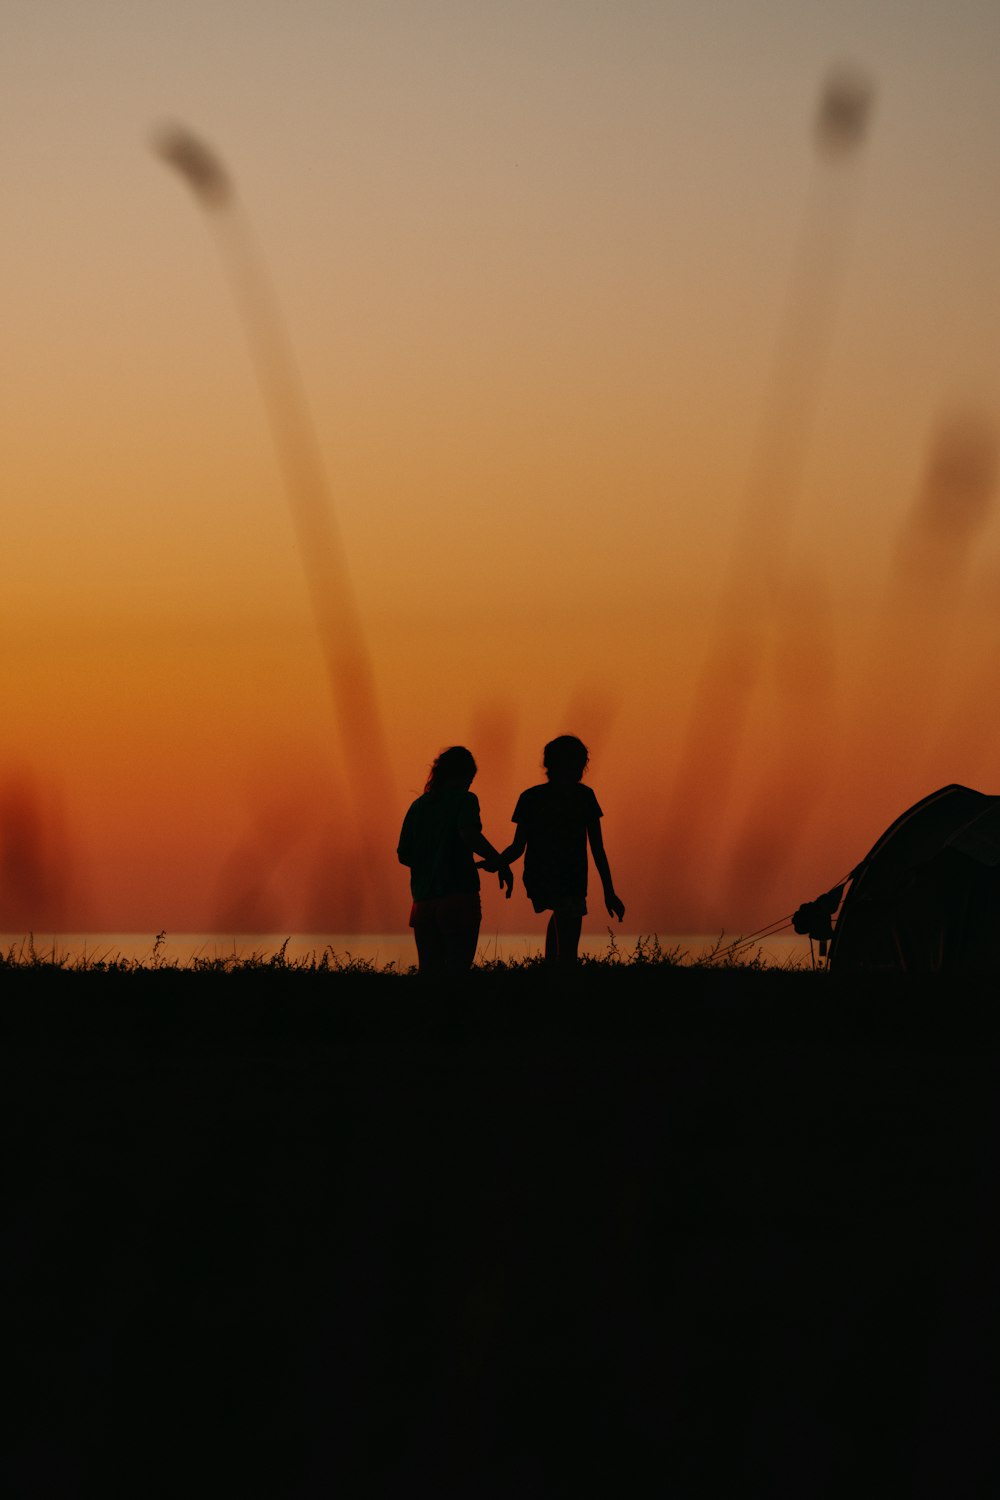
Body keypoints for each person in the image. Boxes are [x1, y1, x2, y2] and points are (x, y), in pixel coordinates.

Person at [499, 734, 625, 967]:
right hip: (570, 880)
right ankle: (561, 990)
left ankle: (550, 972)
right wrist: (609, 891)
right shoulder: (584, 796)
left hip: (539, 879)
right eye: (579, 764)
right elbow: (597, 848)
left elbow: (517, 847)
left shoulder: (530, 797)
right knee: (568, 952)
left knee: (560, 916)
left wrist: (498, 861)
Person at [397, 746, 511, 977]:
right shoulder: (465, 799)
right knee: (458, 971)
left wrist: (430, 862)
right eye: (469, 779)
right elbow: (469, 834)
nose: (470, 785)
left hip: (422, 903)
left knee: (429, 973)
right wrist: (500, 862)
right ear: (464, 776)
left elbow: (404, 855)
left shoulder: (417, 806)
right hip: (458, 896)